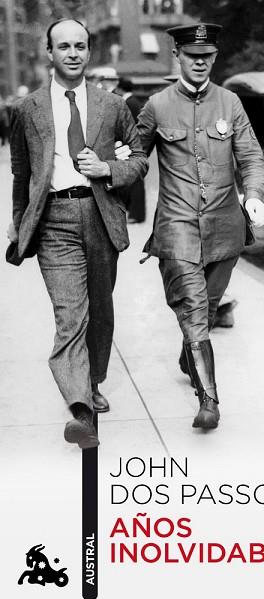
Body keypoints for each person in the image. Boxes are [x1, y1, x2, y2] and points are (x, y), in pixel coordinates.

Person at [7, 18, 147, 449]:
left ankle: (93, 380)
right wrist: (18, 219)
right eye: (64, 46)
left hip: (100, 214)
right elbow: (22, 174)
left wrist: (108, 169)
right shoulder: (27, 109)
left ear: (89, 51)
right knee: (70, 315)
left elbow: (140, 158)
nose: (72, 53)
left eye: (80, 46)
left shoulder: (113, 105)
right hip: (53, 220)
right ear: (49, 52)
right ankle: (80, 408)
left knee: (100, 311)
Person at [136, 23, 264, 430]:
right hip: (177, 226)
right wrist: (111, 167)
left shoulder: (230, 103)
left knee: (207, 307)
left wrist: (254, 195)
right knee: (193, 309)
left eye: (206, 56)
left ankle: (188, 355)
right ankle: (208, 401)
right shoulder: (157, 106)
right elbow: (136, 159)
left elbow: (250, 155)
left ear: (214, 57)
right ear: (177, 55)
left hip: (225, 228)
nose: (199, 62)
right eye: (192, 56)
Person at [114, 78, 147, 223]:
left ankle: (136, 213)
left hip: (130, 144)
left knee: (134, 180)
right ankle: (134, 212)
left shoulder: (128, 103)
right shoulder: (134, 101)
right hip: (134, 143)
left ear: (121, 88)